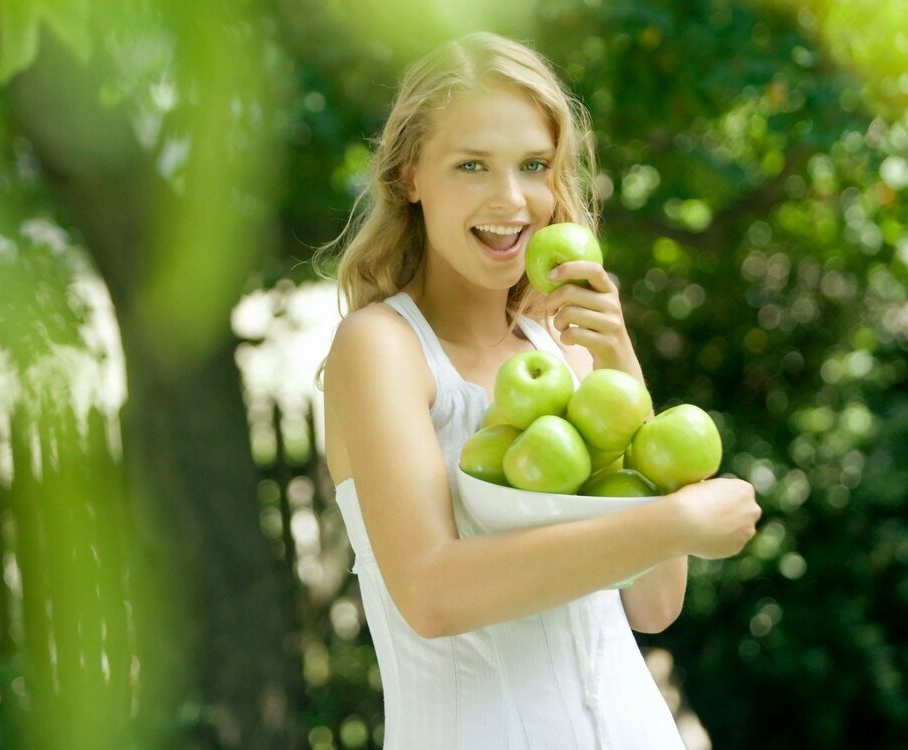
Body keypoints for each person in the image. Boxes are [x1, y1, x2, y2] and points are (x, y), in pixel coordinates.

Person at [317, 31, 762, 749]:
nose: (512, 199)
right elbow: (432, 593)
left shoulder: (570, 351)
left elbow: (654, 602)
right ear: (411, 177)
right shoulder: (381, 348)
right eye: (471, 165)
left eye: (534, 165)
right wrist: (676, 521)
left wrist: (617, 355)